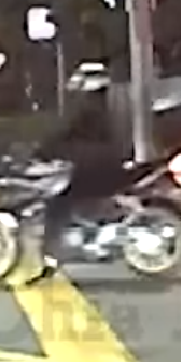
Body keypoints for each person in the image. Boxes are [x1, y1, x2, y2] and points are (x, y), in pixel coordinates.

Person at [33, 89, 134, 271]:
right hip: (107, 168)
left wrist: (46, 152)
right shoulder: (107, 118)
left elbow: (64, 141)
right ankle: (84, 240)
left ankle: (53, 251)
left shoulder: (88, 120)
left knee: (58, 202)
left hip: (97, 172)